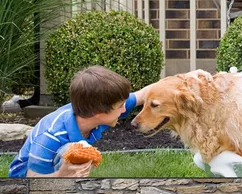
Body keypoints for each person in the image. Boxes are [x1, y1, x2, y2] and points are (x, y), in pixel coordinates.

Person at [8, 66, 150, 178]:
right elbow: (31, 179)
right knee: (70, 150)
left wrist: (171, 82)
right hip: (26, 179)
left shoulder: (94, 111)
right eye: (120, 106)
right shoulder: (51, 135)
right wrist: (59, 176)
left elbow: (143, 94)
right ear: (97, 112)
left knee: (78, 151)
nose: (124, 109)